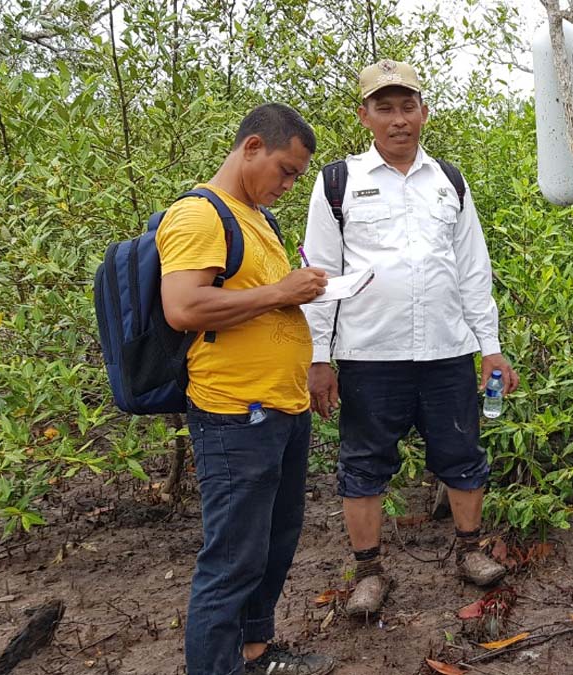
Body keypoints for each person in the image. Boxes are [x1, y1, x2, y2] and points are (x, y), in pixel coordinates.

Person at [302, 59, 520, 617]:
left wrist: (489, 346)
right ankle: (370, 572)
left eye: (407, 107)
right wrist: (318, 358)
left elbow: (473, 268)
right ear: (365, 116)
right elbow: (321, 277)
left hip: (447, 350)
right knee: (364, 463)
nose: (398, 119)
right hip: (370, 353)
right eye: (384, 108)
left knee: (462, 453)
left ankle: (470, 551)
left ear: (423, 113)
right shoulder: (338, 183)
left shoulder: (449, 181)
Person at [158, 103, 334, 675]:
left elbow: (265, 301)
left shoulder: (257, 216)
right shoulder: (199, 215)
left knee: (276, 541)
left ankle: (255, 651)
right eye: (286, 170)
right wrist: (282, 292)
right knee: (233, 558)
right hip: (235, 414)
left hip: (281, 407)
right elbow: (184, 306)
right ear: (252, 146)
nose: (288, 185)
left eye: (296, 177)